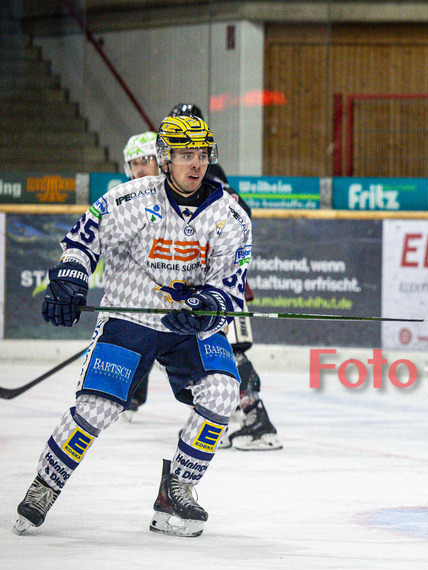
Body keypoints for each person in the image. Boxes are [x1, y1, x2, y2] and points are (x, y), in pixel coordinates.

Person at [13, 115, 251, 537]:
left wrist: (206, 307)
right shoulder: (131, 199)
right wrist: (71, 277)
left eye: (201, 155)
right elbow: (84, 238)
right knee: (97, 408)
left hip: (187, 325)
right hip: (130, 315)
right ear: (164, 158)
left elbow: (229, 287)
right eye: (184, 155)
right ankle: (44, 485)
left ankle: (177, 489)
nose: (195, 165)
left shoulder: (230, 216)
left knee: (223, 391)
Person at [166, 102, 280, 450]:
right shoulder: (182, 174)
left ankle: (259, 423)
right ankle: (224, 416)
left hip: (223, 287)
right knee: (207, 351)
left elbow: (239, 222)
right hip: (204, 289)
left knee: (231, 350)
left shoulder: (210, 174)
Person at [118, 131, 162, 421]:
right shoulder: (124, 201)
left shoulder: (181, 192)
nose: (140, 168)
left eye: (146, 160)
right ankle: (131, 395)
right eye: (134, 163)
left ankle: (231, 404)